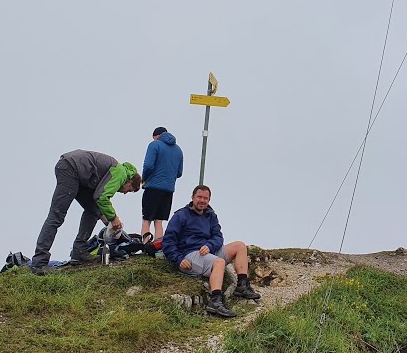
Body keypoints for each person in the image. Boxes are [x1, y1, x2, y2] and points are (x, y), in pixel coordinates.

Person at [32, 149, 142, 270]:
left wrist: (107, 220)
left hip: (77, 173)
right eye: (129, 189)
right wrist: (114, 217)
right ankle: (39, 262)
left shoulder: (117, 170)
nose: (126, 193)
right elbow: (101, 197)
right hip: (71, 168)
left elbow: (96, 200)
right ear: (130, 180)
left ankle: (79, 252)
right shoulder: (121, 173)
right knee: (56, 216)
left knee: (93, 211)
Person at [161, 184, 260, 318]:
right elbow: (168, 241)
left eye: (205, 198)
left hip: (208, 252)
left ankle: (242, 286)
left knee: (240, 246)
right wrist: (178, 260)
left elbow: (218, 237)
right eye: (199, 197)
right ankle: (215, 301)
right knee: (219, 262)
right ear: (192, 198)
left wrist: (209, 245)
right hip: (189, 255)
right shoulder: (181, 215)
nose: (202, 201)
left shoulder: (211, 215)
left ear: (209, 200)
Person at [140, 126, 183, 249]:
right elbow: (179, 172)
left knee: (146, 219)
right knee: (159, 221)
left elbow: (148, 165)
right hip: (169, 189)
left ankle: (145, 245)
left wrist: (144, 178)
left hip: (153, 187)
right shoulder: (178, 150)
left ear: (156, 136)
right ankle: (158, 246)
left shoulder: (154, 145)